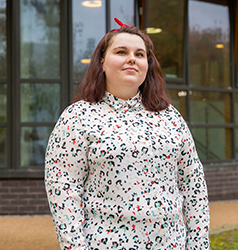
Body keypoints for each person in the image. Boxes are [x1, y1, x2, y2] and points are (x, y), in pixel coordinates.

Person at [45, 18, 210, 250]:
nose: (132, 58)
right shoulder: (78, 117)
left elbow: (193, 184)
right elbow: (63, 188)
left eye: (139, 54)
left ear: (147, 65)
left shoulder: (170, 117)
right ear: (102, 62)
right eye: (121, 51)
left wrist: (199, 244)